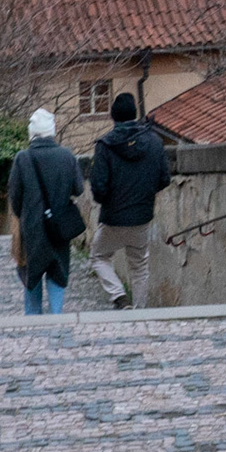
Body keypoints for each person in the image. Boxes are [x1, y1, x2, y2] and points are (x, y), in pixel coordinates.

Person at [87, 92, 171, 310]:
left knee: (98, 257)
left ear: (113, 116)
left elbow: (99, 187)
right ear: (134, 114)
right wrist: (145, 193)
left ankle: (120, 296)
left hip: (113, 217)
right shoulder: (154, 142)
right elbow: (164, 178)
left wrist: (107, 200)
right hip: (142, 215)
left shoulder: (105, 145)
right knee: (139, 266)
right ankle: (140, 311)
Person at [8, 108, 83, 315]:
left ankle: (34, 320)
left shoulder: (22, 159)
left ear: (32, 133)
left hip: (32, 229)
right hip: (59, 228)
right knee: (58, 273)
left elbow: (15, 196)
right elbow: (78, 188)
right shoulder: (67, 156)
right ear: (52, 131)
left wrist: (24, 214)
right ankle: (56, 318)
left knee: (32, 276)